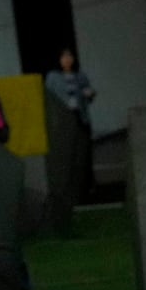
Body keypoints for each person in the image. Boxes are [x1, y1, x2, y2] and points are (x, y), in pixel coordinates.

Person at [44, 47, 96, 201]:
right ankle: (68, 188)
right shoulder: (53, 76)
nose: (67, 59)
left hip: (80, 117)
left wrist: (90, 93)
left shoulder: (80, 76)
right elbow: (48, 97)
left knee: (84, 151)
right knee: (67, 153)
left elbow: (89, 95)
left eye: (69, 56)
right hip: (63, 119)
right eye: (64, 57)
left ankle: (88, 185)